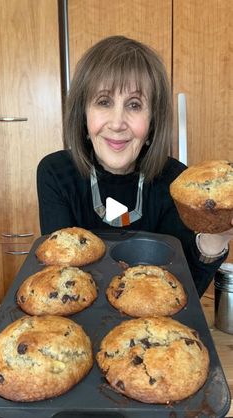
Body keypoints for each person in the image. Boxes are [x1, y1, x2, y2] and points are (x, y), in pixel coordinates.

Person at [37, 35, 233, 297]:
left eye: (134, 105)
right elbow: (59, 285)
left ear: (153, 121)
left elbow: (181, 295)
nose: (117, 123)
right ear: (83, 114)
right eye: (104, 102)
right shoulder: (56, 174)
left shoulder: (174, 181)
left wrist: (215, 239)